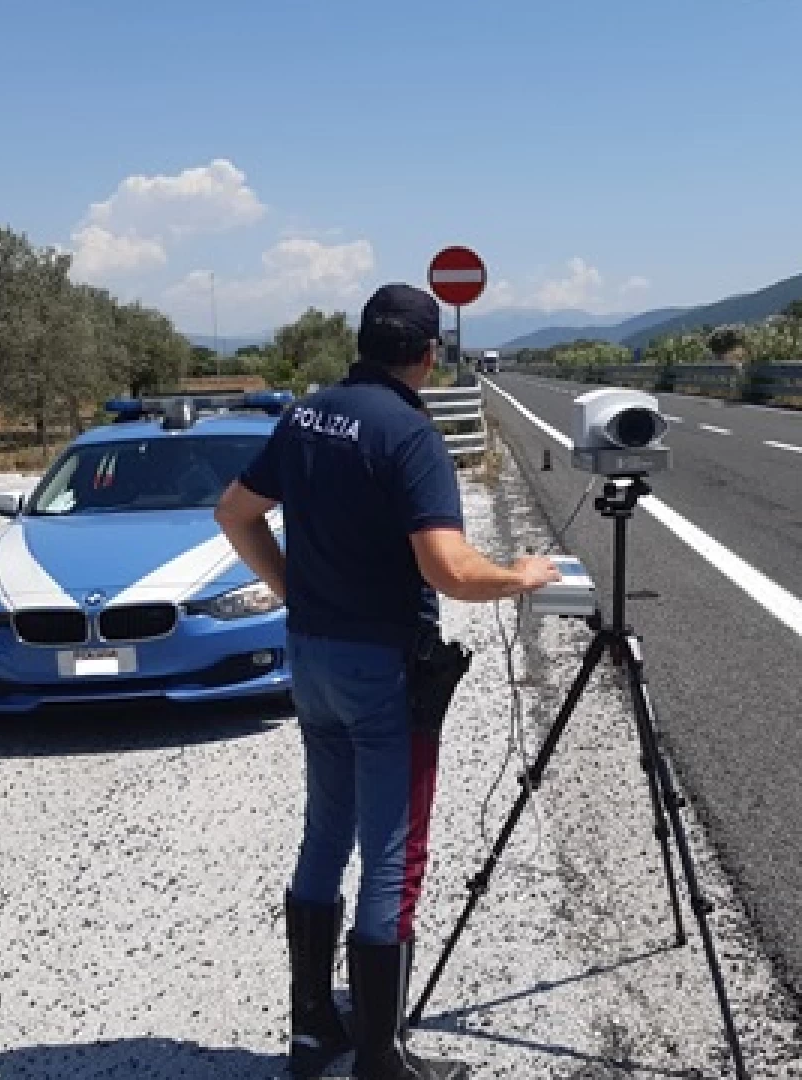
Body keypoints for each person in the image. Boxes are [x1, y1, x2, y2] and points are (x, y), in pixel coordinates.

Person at [216, 283, 560, 1080]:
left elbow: (234, 512)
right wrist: (521, 575)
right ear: (429, 354)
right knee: (393, 857)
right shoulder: (409, 432)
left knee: (324, 836)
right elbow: (448, 569)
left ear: (362, 342)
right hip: (382, 665)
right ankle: (380, 1056)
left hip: (313, 656)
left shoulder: (305, 413)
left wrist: (294, 587)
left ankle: (312, 1032)